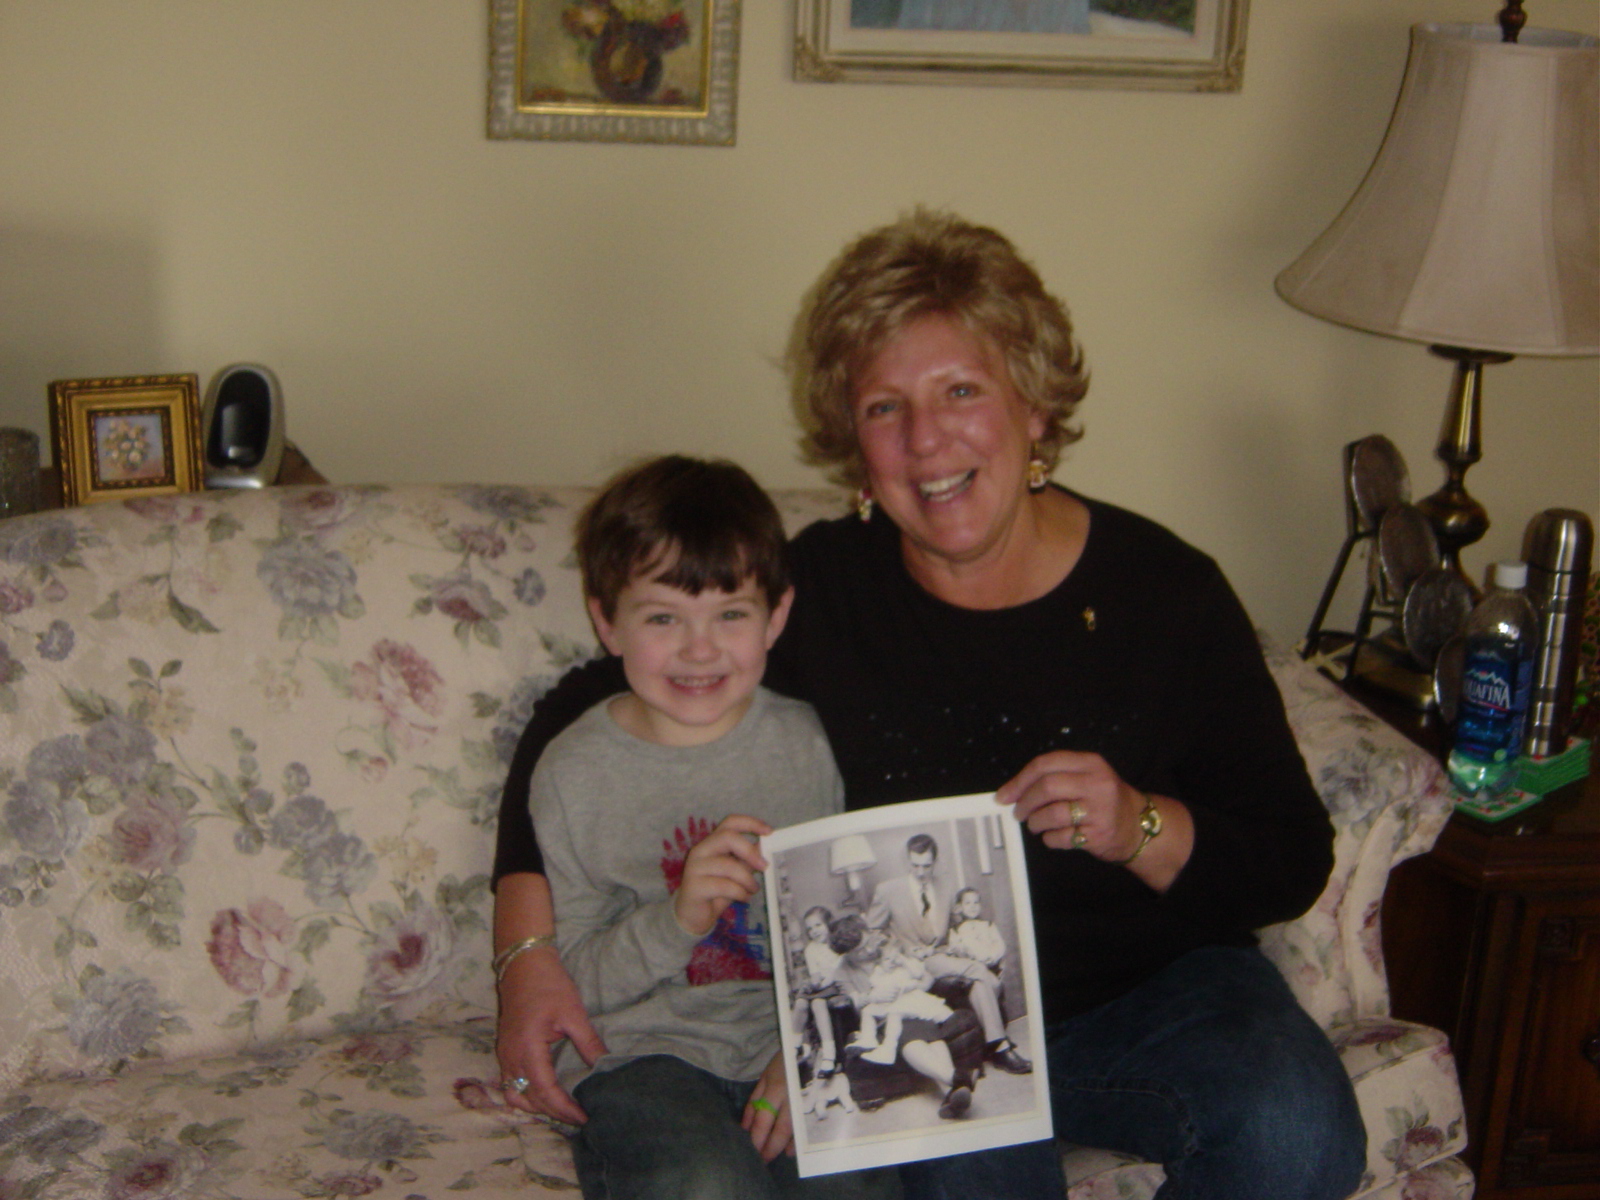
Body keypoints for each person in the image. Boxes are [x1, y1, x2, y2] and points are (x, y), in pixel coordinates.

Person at [492, 210, 1366, 1199]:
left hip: (1154, 995)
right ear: (853, 447)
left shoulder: (1163, 592)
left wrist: (1138, 824)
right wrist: (526, 955)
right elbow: (580, 710)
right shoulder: (818, 594)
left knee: (1296, 1135)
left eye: (960, 390)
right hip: (916, 1008)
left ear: (1033, 407)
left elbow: (1289, 857)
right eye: (881, 408)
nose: (924, 439)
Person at [521, 454, 899, 1200]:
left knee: (857, 1183)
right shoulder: (573, 774)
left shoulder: (816, 745)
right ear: (607, 621)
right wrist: (678, 920)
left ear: (777, 618)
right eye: (664, 617)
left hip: (788, 1047)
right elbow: (575, 984)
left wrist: (810, 1050)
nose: (700, 649)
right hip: (640, 1057)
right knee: (704, 1182)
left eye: (731, 614)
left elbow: (861, 934)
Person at [864, 833, 1028, 1074]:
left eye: (927, 866)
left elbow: (954, 926)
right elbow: (873, 932)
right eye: (915, 865)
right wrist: (900, 951)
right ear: (907, 862)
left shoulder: (946, 886)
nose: (920, 872)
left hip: (943, 956)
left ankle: (998, 1046)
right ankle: (1000, 1040)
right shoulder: (888, 891)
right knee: (981, 973)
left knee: (979, 984)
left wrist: (962, 947)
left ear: (935, 862)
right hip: (912, 963)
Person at [945, 886, 1005, 974]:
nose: (972, 906)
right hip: (971, 967)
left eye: (976, 902)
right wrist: (961, 952)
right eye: (967, 903)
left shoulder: (988, 925)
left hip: (991, 965)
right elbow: (954, 947)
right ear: (959, 907)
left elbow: (999, 945)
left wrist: (992, 957)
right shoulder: (956, 930)